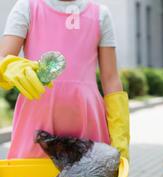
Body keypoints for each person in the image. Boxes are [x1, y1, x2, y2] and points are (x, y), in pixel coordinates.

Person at [0, 0, 130, 160]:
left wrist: (120, 136)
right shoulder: (27, 7)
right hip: (36, 121)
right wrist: (9, 66)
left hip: (87, 122)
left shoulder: (100, 15)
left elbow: (110, 78)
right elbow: (4, 57)